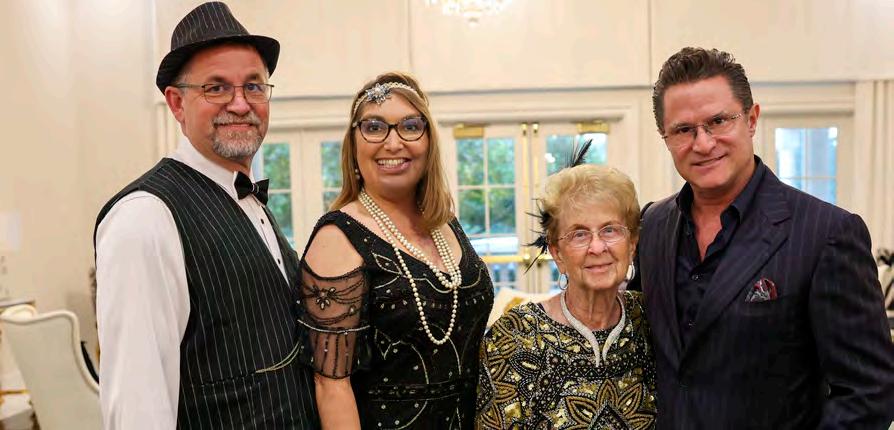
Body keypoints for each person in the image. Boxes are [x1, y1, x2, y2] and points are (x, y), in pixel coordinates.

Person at [637, 46, 894, 428]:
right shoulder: (652, 225)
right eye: (684, 130)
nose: (703, 143)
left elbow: (869, 392)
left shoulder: (827, 234)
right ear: (665, 137)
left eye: (718, 121)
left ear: (752, 119)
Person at [94, 3, 318, 428]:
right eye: (216, 88)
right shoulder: (144, 218)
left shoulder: (249, 200)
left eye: (254, 86)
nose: (240, 104)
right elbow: (138, 403)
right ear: (177, 103)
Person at [298, 72, 494, 429]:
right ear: (353, 144)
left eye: (410, 126)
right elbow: (331, 386)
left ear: (429, 141)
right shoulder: (337, 237)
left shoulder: (446, 223)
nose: (393, 143)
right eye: (374, 127)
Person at [477, 159, 657, 429]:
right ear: (557, 253)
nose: (597, 247)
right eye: (579, 234)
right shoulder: (515, 335)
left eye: (610, 230)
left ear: (632, 244)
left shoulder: (651, 317)